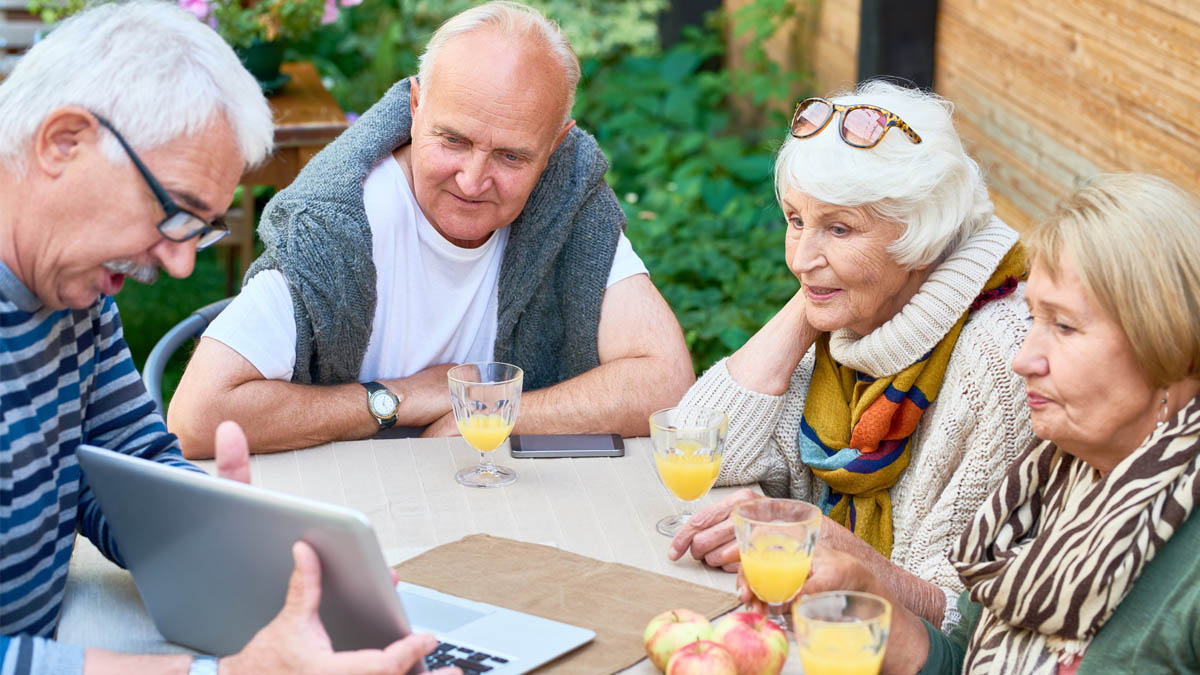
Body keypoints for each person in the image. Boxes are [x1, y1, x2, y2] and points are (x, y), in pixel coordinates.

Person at [0, 4, 450, 674]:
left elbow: (127, 468)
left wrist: (250, 555)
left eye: (199, 228)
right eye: (175, 210)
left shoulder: (71, 288)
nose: (180, 265)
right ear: (63, 140)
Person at [168, 0, 695, 458]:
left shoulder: (567, 198)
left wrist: (488, 415)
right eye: (453, 141)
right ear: (416, 109)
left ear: (554, 149)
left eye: (511, 156)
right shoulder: (337, 219)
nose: (472, 179)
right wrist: (395, 397)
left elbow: (666, 382)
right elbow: (198, 417)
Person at [791, 173, 1200, 673]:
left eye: (1064, 326)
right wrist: (874, 604)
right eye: (1034, 319)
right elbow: (965, 659)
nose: (1024, 358)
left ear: (1169, 343)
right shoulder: (1043, 486)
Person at [668, 80, 1034, 632]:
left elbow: (966, 619)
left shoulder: (1005, 357)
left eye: (839, 227)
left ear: (924, 237)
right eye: (795, 220)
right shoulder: (860, 313)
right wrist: (809, 302)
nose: (800, 257)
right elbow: (701, 449)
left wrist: (832, 543)